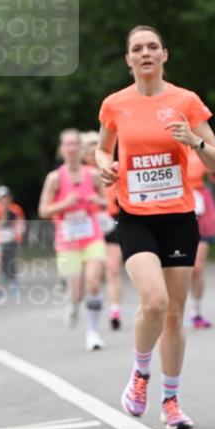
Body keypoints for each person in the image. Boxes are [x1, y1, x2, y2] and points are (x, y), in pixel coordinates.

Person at [96, 25, 215, 429]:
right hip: (134, 216)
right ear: (129, 59)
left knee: (175, 314)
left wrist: (194, 141)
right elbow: (102, 148)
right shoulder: (115, 105)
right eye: (138, 48)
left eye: (153, 47)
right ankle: (139, 374)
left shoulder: (186, 101)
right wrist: (104, 166)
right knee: (154, 301)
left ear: (164, 55)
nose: (146, 53)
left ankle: (170, 401)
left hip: (179, 218)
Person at [38, 128, 107, 351]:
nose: (72, 148)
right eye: (67, 144)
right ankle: (74, 304)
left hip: (92, 235)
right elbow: (44, 211)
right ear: (61, 149)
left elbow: (107, 203)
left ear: (81, 147)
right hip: (67, 241)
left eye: (76, 144)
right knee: (76, 291)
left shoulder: (93, 174)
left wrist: (99, 200)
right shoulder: (55, 178)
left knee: (94, 281)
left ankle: (93, 332)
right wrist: (65, 204)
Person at [82, 130, 124, 330]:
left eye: (95, 151)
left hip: (112, 221)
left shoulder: (111, 169)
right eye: (89, 152)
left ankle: (115, 310)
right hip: (90, 226)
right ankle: (94, 309)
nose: (93, 156)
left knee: (113, 269)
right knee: (94, 275)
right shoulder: (81, 175)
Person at [185, 149, 215, 328]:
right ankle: (170, 309)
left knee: (197, 268)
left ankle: (196, 311)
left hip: (200, 205)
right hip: (175, 204)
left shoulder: (197, 147)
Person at [0, 186, 26, 293]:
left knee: (11, 258)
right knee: (0, 259)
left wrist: (19, 231)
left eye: (6, 197)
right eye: (2, 198)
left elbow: (20, 222)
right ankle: (4, 274)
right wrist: (3, 216)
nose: (4, 200)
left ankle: (13, 280)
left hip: (12, 237)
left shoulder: (16, 208)